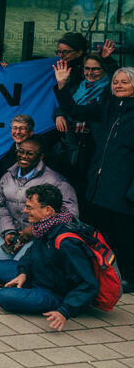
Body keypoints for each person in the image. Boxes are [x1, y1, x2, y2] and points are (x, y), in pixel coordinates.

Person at [53, 61, 133, 290]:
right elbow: (74, 110)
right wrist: (62, 86)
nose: (118, 85)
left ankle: (130, 277)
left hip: (124, 189)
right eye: (116, 82)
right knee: (103, 232)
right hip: (101, 184)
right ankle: (104, 272)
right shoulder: (109, 106)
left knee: (125, 235)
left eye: (124, 82)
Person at [0, 184, 101, 331]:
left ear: (47, 210)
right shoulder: (45, 226)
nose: (25, 211)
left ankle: (49, 300)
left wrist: (65, 311)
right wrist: (23, 273)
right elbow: (31, 254)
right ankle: (24, 284)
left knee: (3, 297)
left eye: (30, 207)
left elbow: (90, 284)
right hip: (37, 274)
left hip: (53, 293)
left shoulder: (67, 242)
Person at [0, 135, 79, 264]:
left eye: (30, 153)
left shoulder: (55, 180)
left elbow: (71, 214)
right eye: (21, 151)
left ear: (41, 156)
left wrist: (35, 229)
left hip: (41, 236)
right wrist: (8, 231)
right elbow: (2, 207)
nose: (24, 156)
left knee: (22, 265)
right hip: (16, 233)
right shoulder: (6, 177)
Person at [49, 49, 114, 189]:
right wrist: (59, 114)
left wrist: (108, 60)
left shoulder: (110, 90)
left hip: (93, 146)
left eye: (95, 69)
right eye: (87, 68)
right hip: (71, 144)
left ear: (104, 69)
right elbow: (64, 105)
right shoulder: (77, 86)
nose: (90, 73)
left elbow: (75, 110)